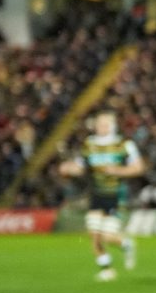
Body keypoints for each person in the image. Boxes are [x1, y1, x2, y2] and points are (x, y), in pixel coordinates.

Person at [58, 110, 144, 281]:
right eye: (99, 124)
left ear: (112, 126)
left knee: (107, 236)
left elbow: (138, 168)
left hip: (116, 195)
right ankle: (107, 270)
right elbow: (81, 167)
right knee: (94, 234)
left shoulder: (124, 144)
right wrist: (68, 169)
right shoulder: (89, 145)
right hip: (96, 194)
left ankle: (126, 244)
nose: (101, 128)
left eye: (105, 125)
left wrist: (117, 171)